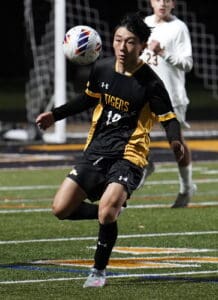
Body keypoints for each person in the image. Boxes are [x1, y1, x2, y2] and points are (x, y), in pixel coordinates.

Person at [36, 12, 185, 288]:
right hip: (96, 150)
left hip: (129, 155)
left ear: (141, 45)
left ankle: (98, 271)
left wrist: (175, 141)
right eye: (118, 40)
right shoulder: (102, 69)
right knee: (60, 209)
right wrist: (54, 116)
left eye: (129, 42)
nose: (122, 47)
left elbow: (169, 119)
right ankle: (111, 212)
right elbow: (87, 100)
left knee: (106, 212)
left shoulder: (151, 83)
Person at [140, 0, 197, 208]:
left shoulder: (179, 28)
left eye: (167, 0)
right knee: (127, 132)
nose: (162, 3)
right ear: (151, 2)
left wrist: (163, 52)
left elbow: (188, 64)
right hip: (145, 93)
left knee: (176, 144)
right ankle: (145, 164)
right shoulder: (144, 23)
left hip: (171, 96)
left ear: (173, 3)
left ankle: (186, 187)